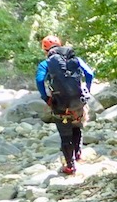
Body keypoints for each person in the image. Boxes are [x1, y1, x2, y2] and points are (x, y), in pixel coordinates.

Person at [36, 35, 94, 175]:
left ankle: (70, 165)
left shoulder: (46, 63)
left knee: (65, 135)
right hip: (79, 102)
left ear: (45, 50)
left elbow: (39, 81)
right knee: (77, 127)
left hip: (60, 104)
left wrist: (46, 98)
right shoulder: (75, 58)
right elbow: (90, 74)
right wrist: (87, 90)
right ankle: (78, 154)